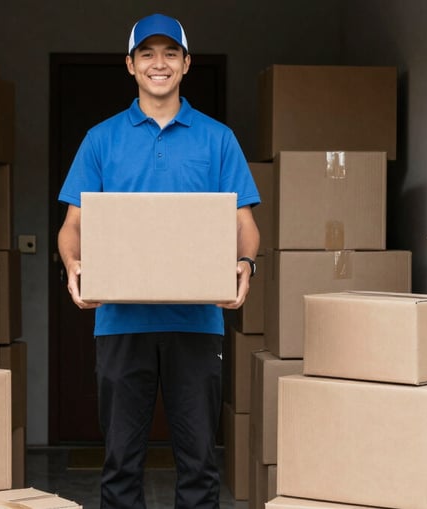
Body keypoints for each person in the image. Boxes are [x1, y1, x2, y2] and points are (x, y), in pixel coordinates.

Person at [57, 13, 260, 509]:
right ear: (130, 65)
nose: (159, 63)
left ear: (187, 64)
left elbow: (245, 224)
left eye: (170, 53)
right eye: (147, 53)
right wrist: (73, 267)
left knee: (198, 462)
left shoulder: (218, 139)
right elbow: (72, 227)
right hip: (121, 322)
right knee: (121, 463)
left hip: (197, 321)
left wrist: (247, 264)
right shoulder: (101, 139)